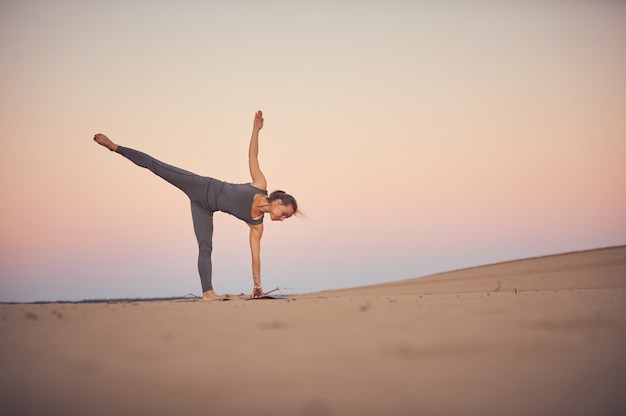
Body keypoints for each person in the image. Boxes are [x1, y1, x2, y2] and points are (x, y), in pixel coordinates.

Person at [93, 111, 298, 300]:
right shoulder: (260, 185)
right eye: (284, 213)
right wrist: (255, 130)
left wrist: (257, 285)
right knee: (157, 166)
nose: (282, 218)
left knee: (205, 246)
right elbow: (252, 156)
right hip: (201, 185)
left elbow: (255, 255)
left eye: (285, 217)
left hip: (203, 209)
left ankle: (207, 292)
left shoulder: (257, 225)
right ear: (278, 202)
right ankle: (115, 147)